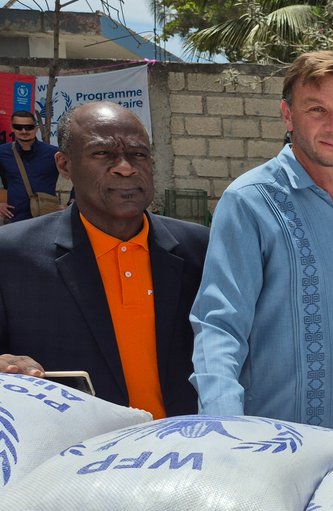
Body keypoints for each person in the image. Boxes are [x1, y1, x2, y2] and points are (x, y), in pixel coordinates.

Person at [190, 51, 333, 437]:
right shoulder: (249, 200)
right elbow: (219, 325)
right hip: (284, 444)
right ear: (288, 115)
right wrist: (225, 432)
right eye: (317, 109)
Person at [0, 102, 208, 417]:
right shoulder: (12, 257)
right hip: (74, 457)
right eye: (102, 154)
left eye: (138, 154)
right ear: (64, 165)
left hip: (184, 453)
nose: (125, 167)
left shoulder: (200, 250)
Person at [0, 110, 59, 223]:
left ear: (36, 129)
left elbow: (79, 175)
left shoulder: (53, 153)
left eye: (28, 127)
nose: (24, 131)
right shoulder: (3, 152)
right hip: (16, 220)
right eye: (18, 127)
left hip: (46, 219)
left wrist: (70, 203)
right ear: (12, 128)